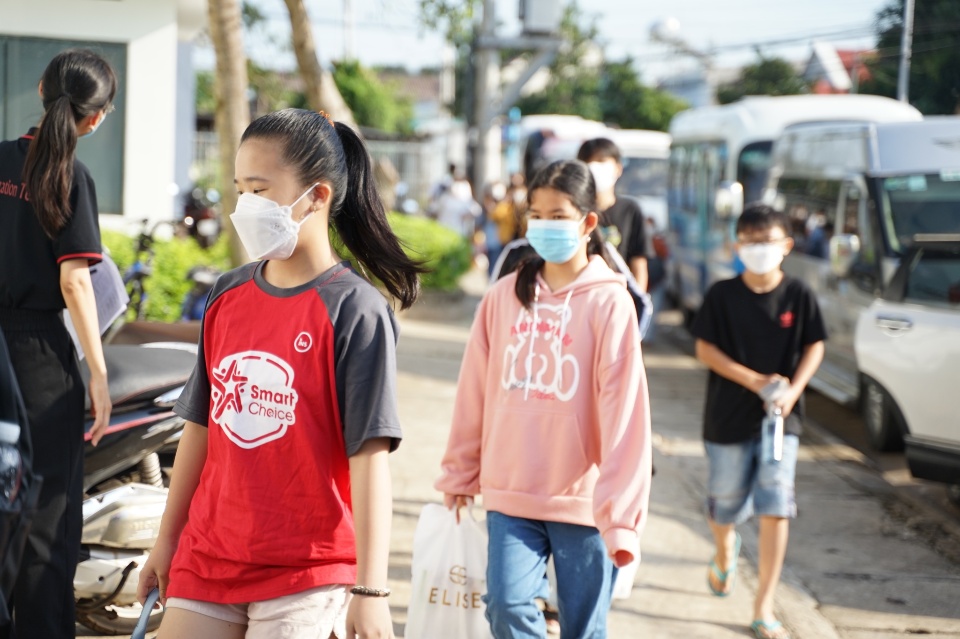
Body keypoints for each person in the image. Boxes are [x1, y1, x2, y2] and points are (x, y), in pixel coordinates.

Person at [136, 108, 423, 639]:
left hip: (308, 574)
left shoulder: (356, 310)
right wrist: (167, 540)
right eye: (241, 190)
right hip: (209, 555)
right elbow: (200, 427)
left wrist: (371, 591)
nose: (245, 206)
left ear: (317, 196)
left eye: (261, 191)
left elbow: (369, 459)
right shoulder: (227, 294)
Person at [436, 159, 653, 639]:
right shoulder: (502, 296)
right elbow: (475, 389)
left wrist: (621, 516)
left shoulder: (610, 302)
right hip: (511, 489)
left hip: (584, 502)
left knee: (583, 629)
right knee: (506, 606)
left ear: (588, 222)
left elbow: (625, 415)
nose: (544, 226)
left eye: (558, 216)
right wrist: (460, 470)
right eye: (536, 214)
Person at [0, 49, 116, 638]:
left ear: (42, 89)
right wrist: (98, 373)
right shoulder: (72, 176)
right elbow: (76, 281)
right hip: (39, 360)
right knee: (44, 519)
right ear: (95, 118)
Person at [690, 204, 826, 639]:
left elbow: (815, 345)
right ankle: (725, 549)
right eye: (749, 241)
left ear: (786, 245)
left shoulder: (799, 295)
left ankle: (764, 606)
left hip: (781, 423)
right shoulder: (722, 295)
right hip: (727, 417)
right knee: (723, 503)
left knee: (776, 506)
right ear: (736, 246)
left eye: (766, 241)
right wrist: (755, 381)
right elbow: (705, 349)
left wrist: (793, 390)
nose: (757, 249)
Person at [576, 138, 648, 293]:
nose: (594, 167)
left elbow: (639, 262)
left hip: (618, 294)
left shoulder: (630, 210)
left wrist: (636, 300)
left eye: (601, 161)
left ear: (618, 168)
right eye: (588, 162)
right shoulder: (574, 211)